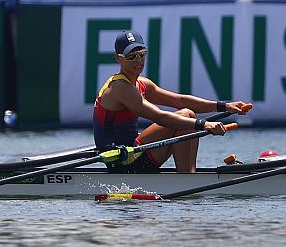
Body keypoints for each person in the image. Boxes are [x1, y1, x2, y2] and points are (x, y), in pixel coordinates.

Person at [94, 30, 250, 173]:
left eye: (141, 54)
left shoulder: (142, 84)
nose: (138, 60)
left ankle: (188, 176)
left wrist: (224, 106)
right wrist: (204, 124)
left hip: (134, 153)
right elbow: (160, 117)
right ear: (117, 58)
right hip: (121, 161)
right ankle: (186, 178)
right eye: (130, 56)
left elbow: (179, 100)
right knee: (187, 116)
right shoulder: (119, 87)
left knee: (187, 113)